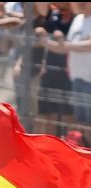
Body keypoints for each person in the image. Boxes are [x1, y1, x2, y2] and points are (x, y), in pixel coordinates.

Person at [38, 1, 91, 143]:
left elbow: (87, 45)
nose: (81, 3)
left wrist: (68, 44)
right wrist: (46, 42)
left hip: (89, 81)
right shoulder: (79, 20)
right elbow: (65, 48)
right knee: (83, 124)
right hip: (77, 79)